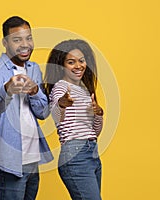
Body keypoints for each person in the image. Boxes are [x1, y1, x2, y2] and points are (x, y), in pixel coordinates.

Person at [0, 16, 53, 200]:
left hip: (32, 159)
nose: (25, 44)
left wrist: (36, 91)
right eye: (17, 39)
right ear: (5, 42)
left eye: (28, 38)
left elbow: (43, 112)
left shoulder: (34, 69)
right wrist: (7, 89)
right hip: (8, 161)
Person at [43, 39, 104, 200]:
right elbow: (57, 116)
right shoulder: (61, 87)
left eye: (81, 61)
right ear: (62, 65)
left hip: (92, 153)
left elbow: (94, 131)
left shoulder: (84, 90)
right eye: (71, 62)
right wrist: (62, 104)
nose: (78, 66)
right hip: (75, 155)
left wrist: (99, 114)